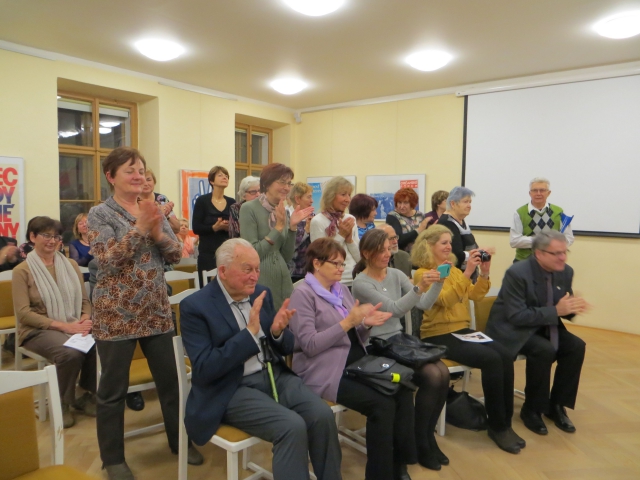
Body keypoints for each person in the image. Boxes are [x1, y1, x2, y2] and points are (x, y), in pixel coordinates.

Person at [179, 238, 342, 480]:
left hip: (273, 376)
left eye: (257, 269)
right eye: (248, 270)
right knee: (291, 426)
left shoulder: (260, 293)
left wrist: (277, 333)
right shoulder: (195, 306)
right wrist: (248, 335)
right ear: (223, 271)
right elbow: (204, 368)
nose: (255, 276)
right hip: (231, 388)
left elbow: (285, 346)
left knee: (322, 415)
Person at [88, 147, 202, 480]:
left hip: (155, 311)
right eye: (130, 170)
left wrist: (156, 230)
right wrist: (141, 228)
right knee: (112, 392)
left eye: (141, 170)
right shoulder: (99, 214)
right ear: (111, 177)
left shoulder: (152, 209)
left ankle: (180, 442)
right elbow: (108, 260)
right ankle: (113, 460)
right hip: (116, 316)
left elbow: (176, 255)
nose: (138, 176)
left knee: (171, 383)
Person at [288, 237, 415, 480]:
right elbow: (310, 345)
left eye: (342, 263)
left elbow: (355, 335)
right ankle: (380, 474)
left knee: (403, 388)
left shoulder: (340, 290)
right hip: (324, 370)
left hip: (355, 362)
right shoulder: (303, 294)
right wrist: (348, 322)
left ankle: (398, 464)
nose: (341, 269)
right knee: (382, 404)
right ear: (317, 263)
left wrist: (365, 325)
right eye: (335, 263)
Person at [412, 225, 523, 454]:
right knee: (491, 360)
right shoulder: (423, 273)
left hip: (462, 331)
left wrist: (483, 273)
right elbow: (446, 300)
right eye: (443, 242)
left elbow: (475, 295)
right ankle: (497, 426)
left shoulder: (453, 270)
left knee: (505, 354)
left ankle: (505, 421)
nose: (449, 246)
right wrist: (467, 272)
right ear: (429, 246)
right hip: (438, 334)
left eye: (449, 242)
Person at [352, 229, 450, 471]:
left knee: (442, 373)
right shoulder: (361, 283)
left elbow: (424, 304)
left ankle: (426, 437)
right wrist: (419, 287)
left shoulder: (395, 274)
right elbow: (394, 309)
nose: (388, 254)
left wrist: (438, 283)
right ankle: (421, 443)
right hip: (376, 345)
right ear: (367, 253)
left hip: (398, 340)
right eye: (382, 250)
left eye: (389, 249)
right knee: (431, 375)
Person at [486, 230, 587, 436]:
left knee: (576, 346)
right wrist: (557, 311)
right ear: (539, 253)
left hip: (544, 323)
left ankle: (556, 405)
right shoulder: (517, 273)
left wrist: (572, 308)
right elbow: (516, 315)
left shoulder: (565, 271)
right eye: (556, 253)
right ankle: (532, 409)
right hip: (512, 329)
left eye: (565, 252)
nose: (563, 258)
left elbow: (560, 305)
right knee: (543, 349)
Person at [12, 216, 95, 429]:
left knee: (98, 342)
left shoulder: (71, 265)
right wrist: (66, 326)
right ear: (32, 237)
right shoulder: (22, 271)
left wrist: (85, 319)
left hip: (73, 322)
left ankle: (84, 393)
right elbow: (23, 314)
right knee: (70, 353)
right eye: (46, 235)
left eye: (56, 236)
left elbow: (85, 301)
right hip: (36, 330)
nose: (52, 241)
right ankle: (62, 402)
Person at [240, 164, 313, 310]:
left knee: (287, 320)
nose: (286, 188)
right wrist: (278, 228)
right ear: (267, 184)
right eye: (282, 182)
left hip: (283, 279)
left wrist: (292, 227)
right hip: (260, 279)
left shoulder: (282, 211)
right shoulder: (249, 208)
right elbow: (253, 252)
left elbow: (286, 256)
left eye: (289, 183)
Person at [510, 177, 575, 262]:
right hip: (524, 261)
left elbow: (569, 238)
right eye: (535, 190)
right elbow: (514, 241)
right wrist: (544, 241)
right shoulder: (519, 213)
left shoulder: (559, 212)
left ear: (549, 193)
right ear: (530, 193)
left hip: (552, 261)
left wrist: (553, 246)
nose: (538, 193)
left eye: (542, 190)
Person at [310, 176, 359, 285]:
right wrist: (341, 235)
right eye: (343, 194)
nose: (347, 199)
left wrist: (350, 240)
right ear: (330, 196)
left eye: (349, 195)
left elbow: (359, 258)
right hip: (331, 281)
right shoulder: (318, 221)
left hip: (354, 278)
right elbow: (321, 257)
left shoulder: (350, 219)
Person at [191, 166, 236, 287]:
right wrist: (214, 228)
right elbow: (196, 228)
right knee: (207, 287)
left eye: (226, 176)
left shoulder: (232, 202)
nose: (224, 177)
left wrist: (228, 227)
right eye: (220, 175)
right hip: (208, 253)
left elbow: (237, 227)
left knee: (228, 286)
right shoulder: (202, 201)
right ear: (211, 181)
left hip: (227, 253)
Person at [437, 186, 483, 273]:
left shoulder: (462, 220)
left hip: (469, 272)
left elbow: (472, 244)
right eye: (465, 202)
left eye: (470, 202)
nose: (469, 206)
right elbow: (455, 254)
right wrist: (477, 253)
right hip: (455, 274)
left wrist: (480, 251)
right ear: (453, 204)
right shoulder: (447, 223)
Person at [287, 182, 315, 283]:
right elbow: (289, 246)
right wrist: (306, 231)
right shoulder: (286, 217)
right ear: (298, 199)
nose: (312, 201)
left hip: (310, 271)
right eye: (308, 197)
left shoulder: (313, 216)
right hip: (292, 272)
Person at [385, 188, 429, 253]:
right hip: (401, 255)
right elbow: (398, 240)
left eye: (405, 203)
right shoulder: (392, 216)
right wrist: (418, 231)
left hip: (420, 253)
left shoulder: (420, 215)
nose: (401, 206)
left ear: (412, 203)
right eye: (399, 202)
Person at [140, 168, 181, 233]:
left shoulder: (161, 199)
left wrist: (166, 216)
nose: (146, 183)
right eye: (142, 181)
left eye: (148, 180)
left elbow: (177, 228)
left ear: (154, 182)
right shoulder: (133, 201)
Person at [68, 213, 93, 280]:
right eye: (81, 223)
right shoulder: (74, 244)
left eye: (86, 222)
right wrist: (90, 253)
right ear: (77, 229)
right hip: (83, 278)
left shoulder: (100, 241)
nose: (84, 225)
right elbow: (76, 264)